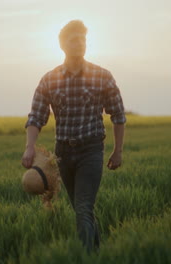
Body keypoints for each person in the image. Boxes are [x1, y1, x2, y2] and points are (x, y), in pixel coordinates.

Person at [21, 20, 126, 252]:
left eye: (83, 39)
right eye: (74, 39)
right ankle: (97, 253)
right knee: (82, 210)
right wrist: (30, 147)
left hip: (91, 151)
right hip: (63, 154)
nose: (79, 43)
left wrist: (118, 151)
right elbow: (36, 117)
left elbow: (118, 115)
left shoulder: (102, 76)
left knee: (83, 207)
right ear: (62, 45)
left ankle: (86, 256)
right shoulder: (49, 79)